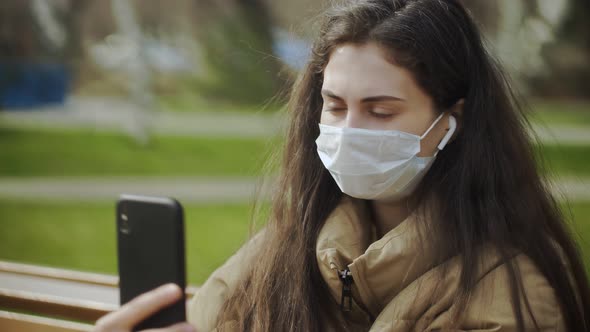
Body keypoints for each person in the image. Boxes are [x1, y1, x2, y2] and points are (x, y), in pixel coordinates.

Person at [93, 0, 590, 331]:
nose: (350, 130)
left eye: (380, 111)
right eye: (334, 105)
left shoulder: (509, 293)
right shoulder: (292, 242)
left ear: (451, 121)